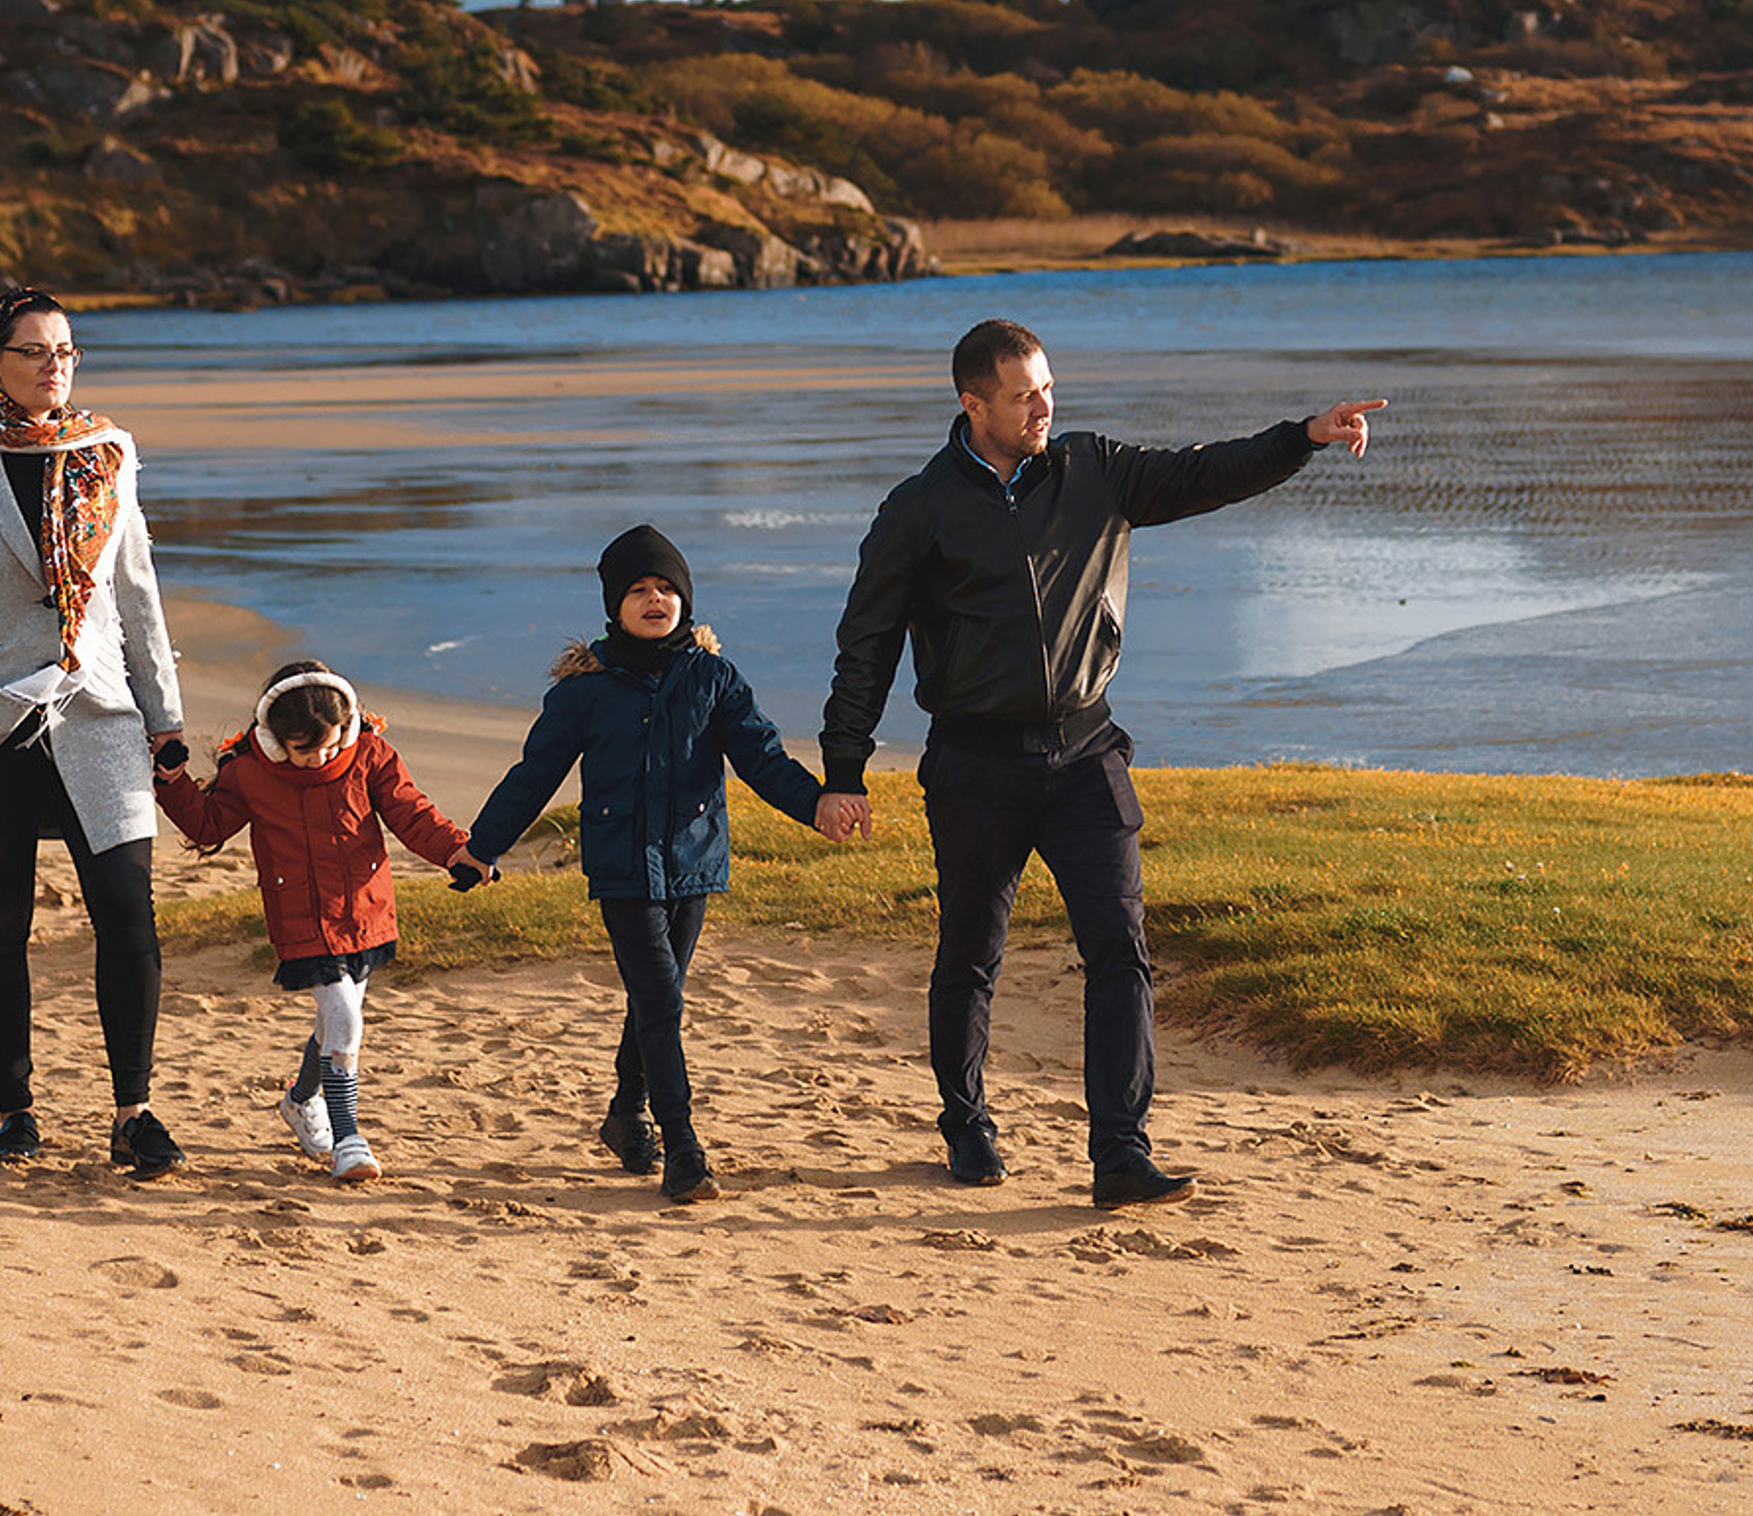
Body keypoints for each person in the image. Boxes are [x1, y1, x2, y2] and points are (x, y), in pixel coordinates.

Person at [819, 318, 1385, 1208]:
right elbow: (867, 646)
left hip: (1085, 750)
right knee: (971, 954)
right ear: (974, 405)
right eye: (1023, 395)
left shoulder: (1095, 471)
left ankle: (1120, 1151)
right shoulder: (918, 510)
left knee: (1122, 951)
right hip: (975, 763)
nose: (1045, 406)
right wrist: (844, 769)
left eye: (1048, 387)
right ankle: (966, 1123)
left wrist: (1300, 439)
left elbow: (1203, 473)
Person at [0, 285, 191, 1178]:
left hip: (101, 712)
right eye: (36, 352)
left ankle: (133, 1112)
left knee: (128, 916)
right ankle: (16, 1111)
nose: (56, 365)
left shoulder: (109, 451)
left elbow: (138, 592)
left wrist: (166, 718)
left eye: (67, 351)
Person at [459, 525, 851, 1204]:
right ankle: (683, 1147)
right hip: (621, 866)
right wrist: (482, 846)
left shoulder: (712, 677)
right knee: (663, 1000)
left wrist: (814, 804)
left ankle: (624, 1114)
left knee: (653, 999)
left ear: (685, 599)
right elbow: (535, 775)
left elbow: (761, 758)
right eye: (639, 590)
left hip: (694, 862)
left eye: (666, 588)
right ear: (615, 605)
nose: (654, 599)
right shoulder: (583, 690)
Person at [156, 658, 483, 1185]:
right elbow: (207, 823)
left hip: (365, 908)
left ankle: (301, 1098)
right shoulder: (250, 771)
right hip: (301, 915)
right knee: (345, 1018)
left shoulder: (370, 754)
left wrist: (460, 853)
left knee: (334, 1020)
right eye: (304, 750)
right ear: (274, 737)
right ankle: (349, 1140)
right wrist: (171, 782)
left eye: (329, 745)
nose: (319, 758)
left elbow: (412, 814)